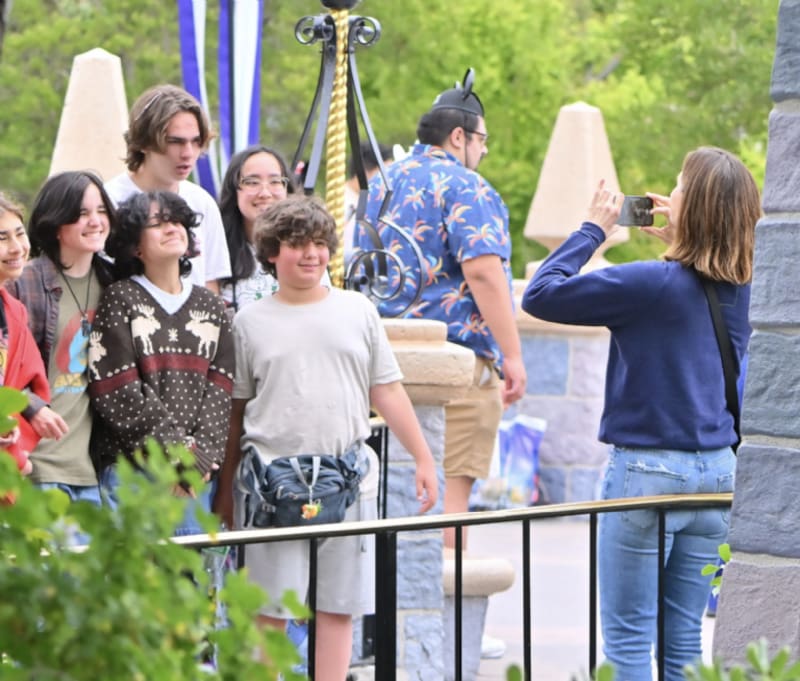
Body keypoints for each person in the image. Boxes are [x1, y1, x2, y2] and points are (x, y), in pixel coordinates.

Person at [521, 147, 759, 681]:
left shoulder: (648, 284)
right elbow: (700, 276)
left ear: (691, 205)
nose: (668, 194)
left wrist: (590, 231)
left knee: (629, 641)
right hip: (717, 477)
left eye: (678, 186)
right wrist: (684, 241)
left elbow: (539, 295)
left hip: (647, 476)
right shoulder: (741, 290)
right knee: (682, 644)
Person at [215, 195, 438, 681]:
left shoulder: (358, 310)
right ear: (273, 252)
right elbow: (236, 411)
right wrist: (226, 488)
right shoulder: (249, 322)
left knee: (339, 607)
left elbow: (388, 388)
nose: (310, 254)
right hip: (272, 483)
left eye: (318, 243)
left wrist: (423, 456)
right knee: (270, 609)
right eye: (297, 244)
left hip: (347, 479)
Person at [353, 70, 526, 552]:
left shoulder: (378, 185)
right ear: (459, 137)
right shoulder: (467, 186)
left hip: (380, 365)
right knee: (449, 500)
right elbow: (485, 273)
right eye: (482, 139)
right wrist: (512, 355)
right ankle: (444, 623)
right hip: (453, 367)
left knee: (385, 499)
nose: (485, 150)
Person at [87, 191, 234, 532]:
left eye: (177, 221)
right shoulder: (120, 299)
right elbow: (117, 390)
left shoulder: (212, 308)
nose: (171, 228)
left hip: (195, 478)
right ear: (135, 247)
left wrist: (198, 461)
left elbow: (221, 390)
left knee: (192, 582)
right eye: (157, 223)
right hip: (134, 472)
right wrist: (178, 457)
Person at [8, 171, 118, 505]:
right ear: (57, 223)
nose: (95, 221)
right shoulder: (23, 282)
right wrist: (31, 407)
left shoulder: (113, 286)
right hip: (35, 467)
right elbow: (8, 371)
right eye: (82, 213)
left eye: (101, 211)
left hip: (89, 472)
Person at [104, 83, 231, 293]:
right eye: (175, 142)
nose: (188, 153)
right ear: (144, 142)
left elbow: (211, 284)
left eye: (196, 141)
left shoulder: (202, 201)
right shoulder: (108, 201)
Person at [0, 194, 51, 477]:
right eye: (2, 238)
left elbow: (26, 382)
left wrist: (18, 456)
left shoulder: (14, 311)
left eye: (20, 234)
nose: (17, 248)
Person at [218, 144, 296, 311]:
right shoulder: (217, 250)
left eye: (275, 181)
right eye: (252, 182)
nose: (265, 193)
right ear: (234, 190)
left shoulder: (306, 248)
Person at [343, 140, 393, 266]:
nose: (389, 179)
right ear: (365, 172)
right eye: (385, 173)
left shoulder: (378, 203)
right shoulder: (342, 204)